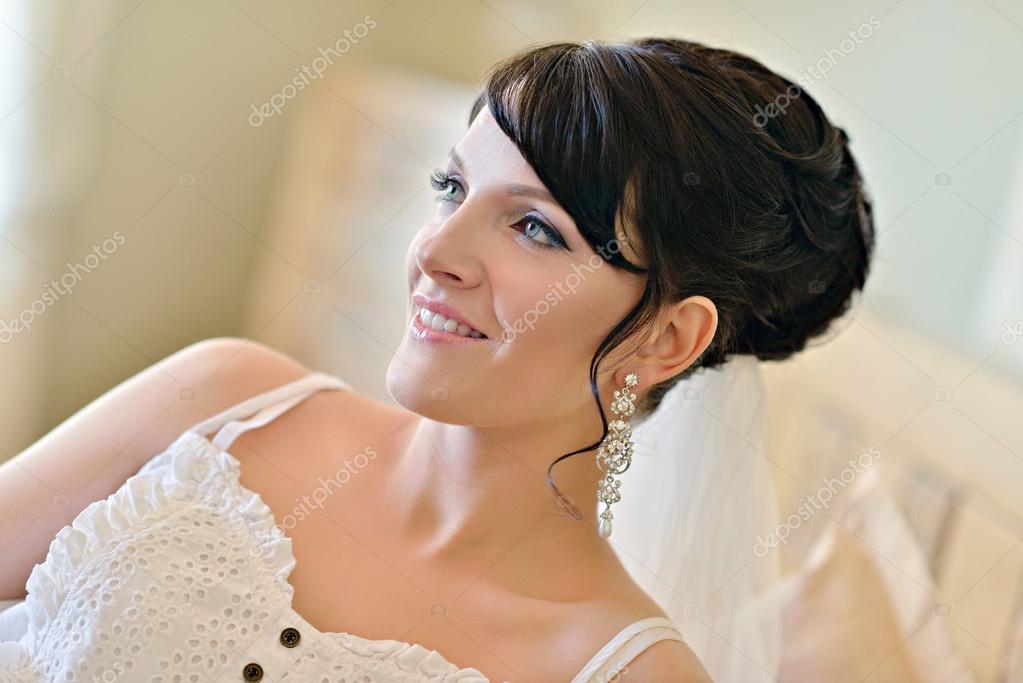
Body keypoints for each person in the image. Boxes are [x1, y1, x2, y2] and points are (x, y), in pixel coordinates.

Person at [0, 36, 873, 682]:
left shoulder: (619, 670)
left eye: (534, 227)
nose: (436, 251)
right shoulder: (227, 399)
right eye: (452, 189)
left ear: (666, 338)